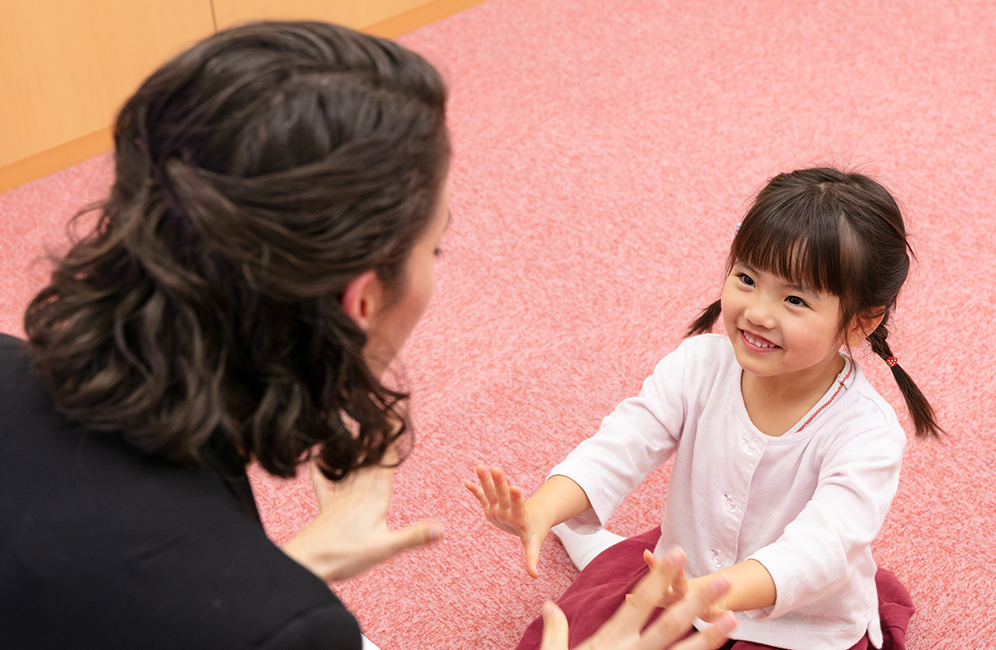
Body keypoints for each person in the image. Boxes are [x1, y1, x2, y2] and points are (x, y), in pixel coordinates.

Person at [0, 20, 738, 650]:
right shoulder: (279, 629)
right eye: (435, 247)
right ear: (361, 300)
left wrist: (284, 565)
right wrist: (269, 592)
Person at [467, 167, 942, 650]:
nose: (757, 311)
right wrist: (540, 509)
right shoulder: (697, 366)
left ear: (862, 321)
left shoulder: (867, 433)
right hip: (683, 584)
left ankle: (592, 542)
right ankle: (582, 535)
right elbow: (622, 444)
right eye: (746, 278)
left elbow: (820, 550)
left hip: (796, 629)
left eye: (794, 299)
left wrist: (712, 592)